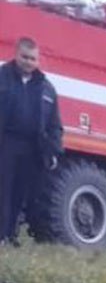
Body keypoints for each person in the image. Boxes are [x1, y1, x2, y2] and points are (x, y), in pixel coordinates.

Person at [0, 37, 63, 247]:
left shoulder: (47, 89)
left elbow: (55, 124)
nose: (28, 62)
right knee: (3, 191)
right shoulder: (2, 78)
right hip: (5, 144)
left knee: (20, 194)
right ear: (16, 54)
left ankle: (10, 236)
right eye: (25, 57)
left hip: (31, 148)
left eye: (33, 58)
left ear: (38, 60)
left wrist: (53, 151)